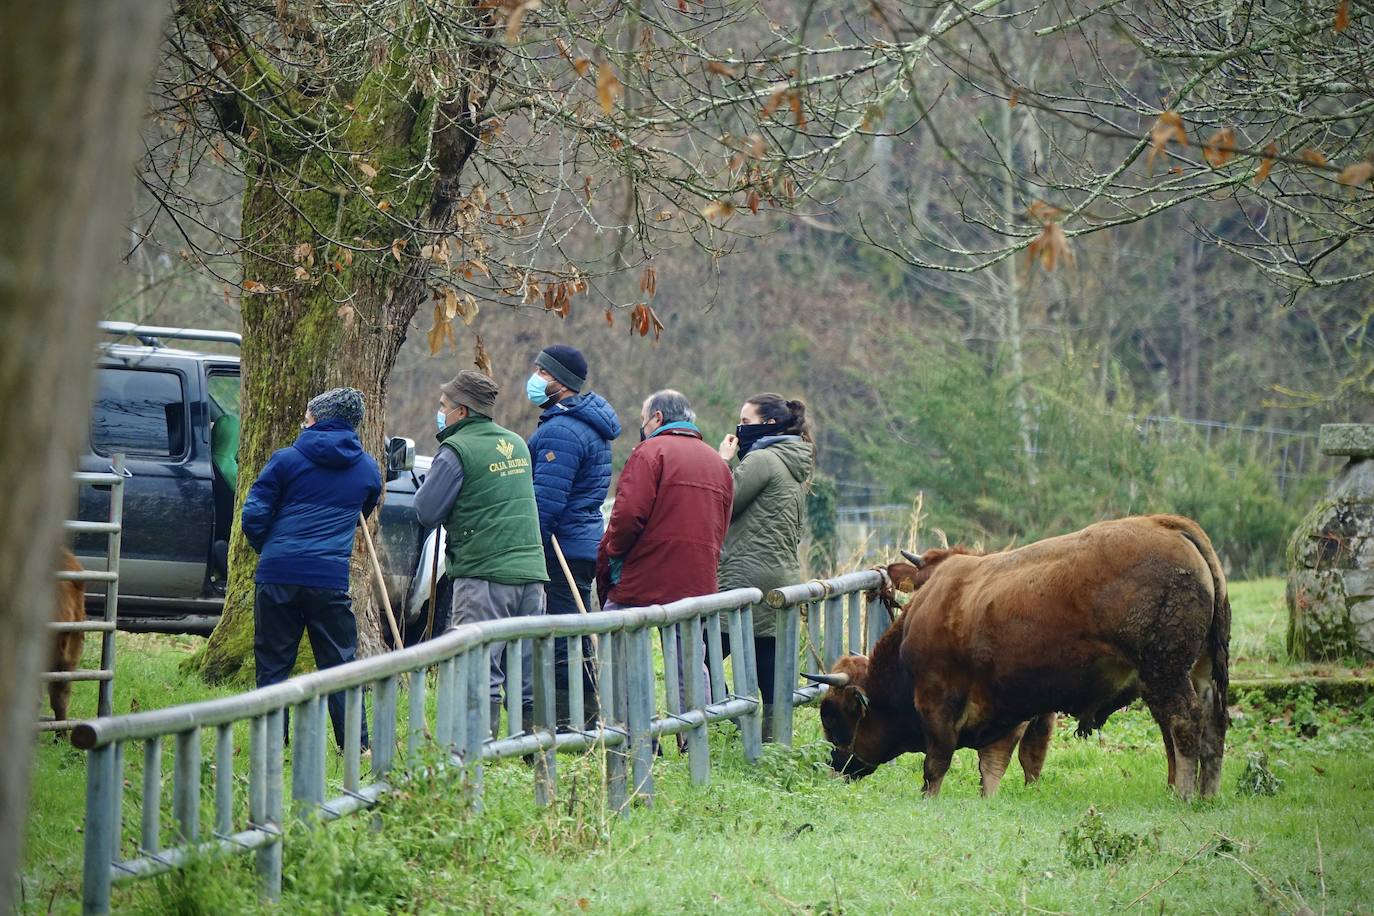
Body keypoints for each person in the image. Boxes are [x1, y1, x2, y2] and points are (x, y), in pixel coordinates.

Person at [242, 387, 381, 750]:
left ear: (316, 419)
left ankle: (272, 745)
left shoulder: (285, 460)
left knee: (273, 665)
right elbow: (363, 512)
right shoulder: (367, 469)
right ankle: (356, 747)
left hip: (278, 575)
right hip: (328, 579)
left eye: (307, 415)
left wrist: (268, 548)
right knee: (340, 666)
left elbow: (253, 514)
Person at [414, 370, 548, 737]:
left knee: (480, 663)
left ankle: (480, 744)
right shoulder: (518, 444)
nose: (439, 412)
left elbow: (426, 511)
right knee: (524, 666)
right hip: (531, 573)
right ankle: (528, 744)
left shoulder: (456, 450)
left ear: (461, 411)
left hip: (483, 573)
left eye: (443, 406)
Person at [524, 345, 621, 727]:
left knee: (566, 636)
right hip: (582, 541)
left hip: (561, 545)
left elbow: (545, 501)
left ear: (559, 382)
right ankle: (586, 716)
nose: (534, 378)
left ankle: (571, 720)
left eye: (541, 373)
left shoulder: (562, 431)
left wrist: (531, 543)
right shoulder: (580, 423)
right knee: (576, 632)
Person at [716, 394, 815, 741]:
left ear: (768, 424)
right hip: (780, 576)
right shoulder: (793, 461)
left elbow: (723, 502)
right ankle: (773, 741)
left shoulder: (762, 460)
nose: (739, 428)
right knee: (768, 665)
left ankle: (728, 724)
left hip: (745, 576)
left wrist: (722, 462)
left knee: (702, 654)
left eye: (745, 421)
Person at [597, 390, 733, 610]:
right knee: (689, 644)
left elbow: (628, 515)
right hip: (698, 581)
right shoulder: (718, 464)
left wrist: (614, 551)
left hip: (644, 579)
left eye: (644, 420)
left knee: (617, 636)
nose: (643, 427)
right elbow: (722, 525)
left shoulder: (649, 452)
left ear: (657, 417)